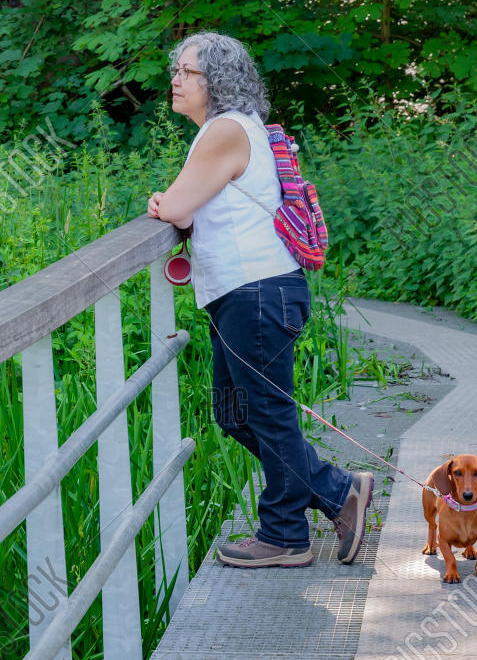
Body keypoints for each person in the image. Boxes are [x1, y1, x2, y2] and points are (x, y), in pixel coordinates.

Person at [146, 32, 371, 567]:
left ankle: (285, 535)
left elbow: (176, 207)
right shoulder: (226, 132)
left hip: (257, 295)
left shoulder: (225, 130)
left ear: (217, 81)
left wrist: (162, 201)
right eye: (176, 71)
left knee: (266, 414)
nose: (175, 80)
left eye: (187, 72)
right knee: (235, 413)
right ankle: (339, 493)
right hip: (245, 297)